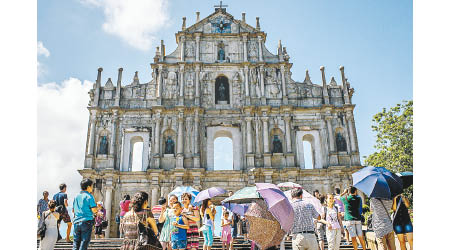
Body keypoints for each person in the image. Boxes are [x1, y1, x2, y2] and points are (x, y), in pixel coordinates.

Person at [72, 178, 98, 250]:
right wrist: (97, 209)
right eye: (92, 186)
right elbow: (94, 210)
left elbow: (73, 210)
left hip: (76, 222)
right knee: (84, 242)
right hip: (86, 222)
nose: (92, 188)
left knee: (76, 243)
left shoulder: (76, 196)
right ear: (88, 187)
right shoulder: (89, 196)